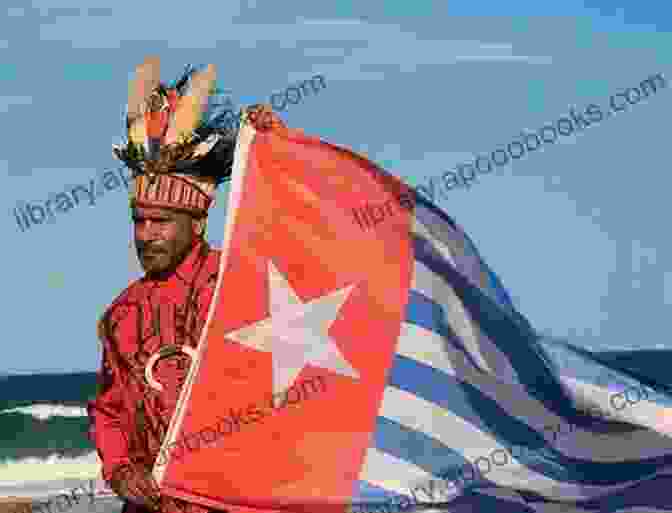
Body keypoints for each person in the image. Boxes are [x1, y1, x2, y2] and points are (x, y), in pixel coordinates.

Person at [86, 56, 277, 513]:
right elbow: (109, 410)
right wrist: (119, 469)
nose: (146, 234)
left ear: (196, 223)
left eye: (161, 222)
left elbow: (299, 245)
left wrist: (272, 151)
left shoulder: (240, 281)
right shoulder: (122, 314)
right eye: (139, 220)